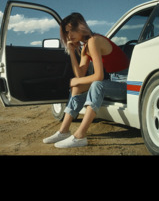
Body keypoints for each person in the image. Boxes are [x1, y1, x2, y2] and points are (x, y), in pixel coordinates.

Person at [43, 12, 130, 148]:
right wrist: (71, 51)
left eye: (71, 30)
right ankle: (64, 131)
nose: (69, 35)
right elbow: (80, 74)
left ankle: (80, 136)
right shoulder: (86, 46)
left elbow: (99, 76)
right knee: (77, 87)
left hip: (127, 84)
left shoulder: (94, 41)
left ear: (81, 26)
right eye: (67, 33)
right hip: (114, 81)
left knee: (97, 85)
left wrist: (76, 81)